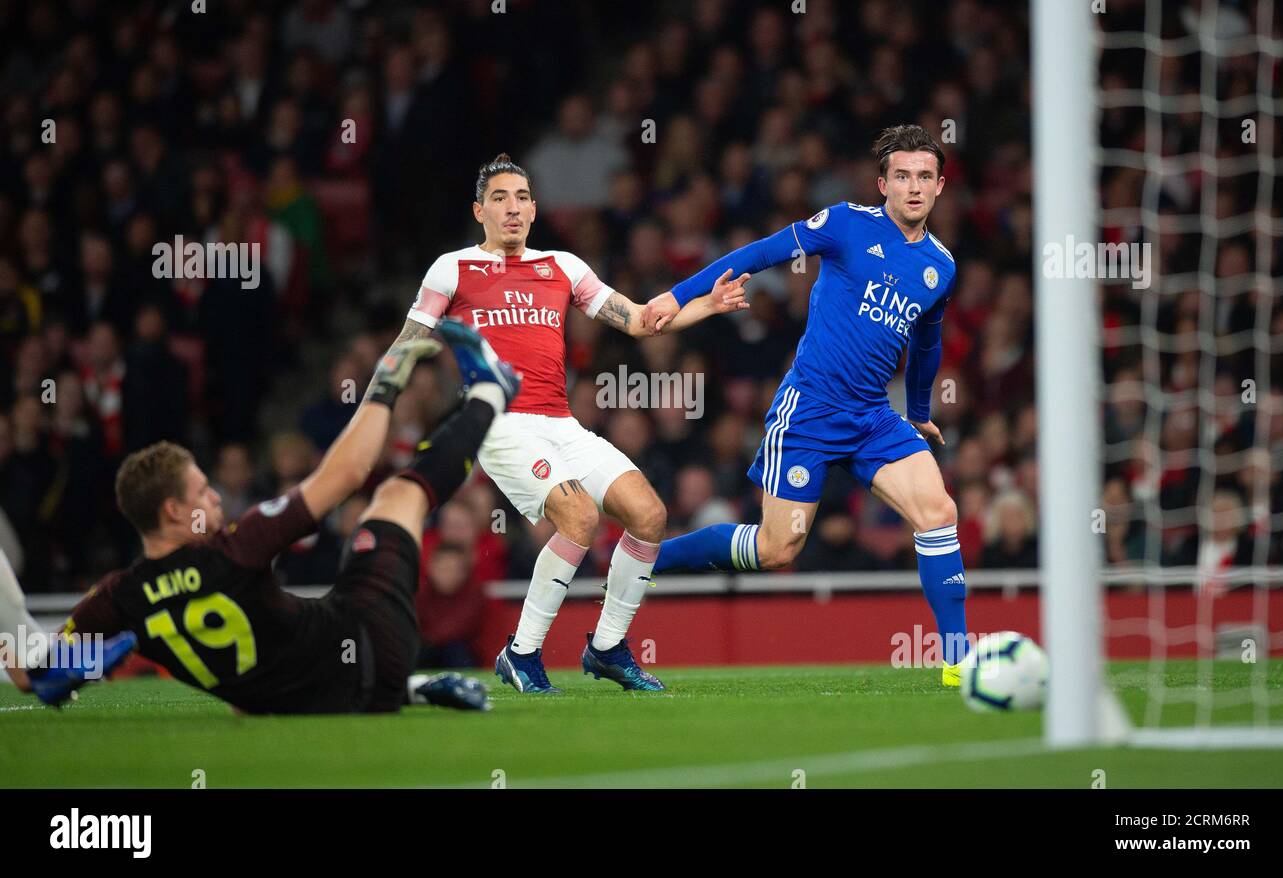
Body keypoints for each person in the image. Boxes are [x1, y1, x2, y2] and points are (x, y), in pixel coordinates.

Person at [371, 153, 749, 694]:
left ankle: (606, 648)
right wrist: (374, 410)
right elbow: (409, 342)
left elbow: (640, 321)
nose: (513, 208)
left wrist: (706, 305)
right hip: (499, 423)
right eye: (499, 198)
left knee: (648, 514)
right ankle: (521, 655)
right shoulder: (452, 268)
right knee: (576, 515)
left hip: (560, 423)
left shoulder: (563, 267)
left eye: (522, 198)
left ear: (534, 208)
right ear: (479, 210)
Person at [21, 319, 518, 713]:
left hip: (296, 707)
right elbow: (346, 474)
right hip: (369, 649)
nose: (215, 497)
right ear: (172, 511)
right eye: (201, 491)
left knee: (268, 676)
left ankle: (415, 689)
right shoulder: (236, 547)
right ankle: (491, 393)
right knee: (397, 495)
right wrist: (385, 383)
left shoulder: (118, 597)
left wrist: (69, 674)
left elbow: (36, 672)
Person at [642, 125, 970, 686]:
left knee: (939, 513)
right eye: (902, 176)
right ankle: (646, 560)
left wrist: (917, 411)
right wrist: (679, 295)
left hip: (872, 417)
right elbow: (762, 251)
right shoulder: (845, 223)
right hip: (810, 411)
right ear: (882, 183)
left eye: (924, 177)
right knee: (777, 550)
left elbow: (927, 342)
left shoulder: (940, 267)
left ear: (939, 187)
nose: (913, 187)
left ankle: (959, 663)